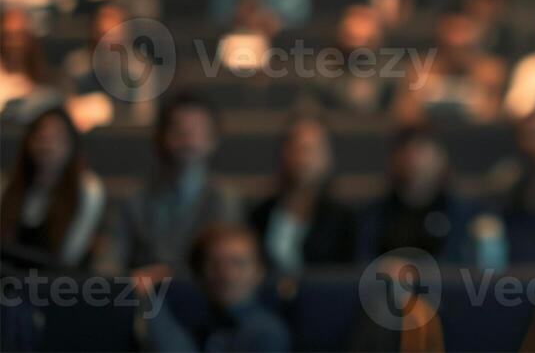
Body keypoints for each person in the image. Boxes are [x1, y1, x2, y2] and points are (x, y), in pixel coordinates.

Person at [109, 93, 241, 270]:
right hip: (142, 291)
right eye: (179, 129)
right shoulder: (134, 198)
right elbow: (110, 261)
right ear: (160, 137)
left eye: (197, 129)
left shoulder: (225, 200)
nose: (188, 139)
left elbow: (229, 267)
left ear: (213, 139)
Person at [135, 223, 291, 353]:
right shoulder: (196, 320)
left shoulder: (265, 333)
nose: (227, 275)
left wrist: (150, 299)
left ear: (259, 272)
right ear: (199, 273)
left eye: (239, 263)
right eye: (215, 264)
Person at [247, 116, 356, 274]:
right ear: (283, 153)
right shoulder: (259, 216)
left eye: (312, 149)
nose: (304, 158)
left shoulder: (345, 221)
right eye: (297, 147)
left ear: (328, 157)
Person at [0, 107, 106, 267]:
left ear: (71, 145)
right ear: (29, 142)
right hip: (8, 279)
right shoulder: (8, 183)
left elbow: (70, 256)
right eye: (42, 137)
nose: (47, 146)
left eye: (56, 138)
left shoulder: (88, 189)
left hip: (59, 282)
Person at [356, 124, 478, 264]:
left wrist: (419, 271)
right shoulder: (374, 215)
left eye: (422, 149)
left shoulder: (464, 213)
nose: (414, 159)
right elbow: (362, 263)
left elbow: (463, 263)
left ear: (441, 157)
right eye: (406, 149)